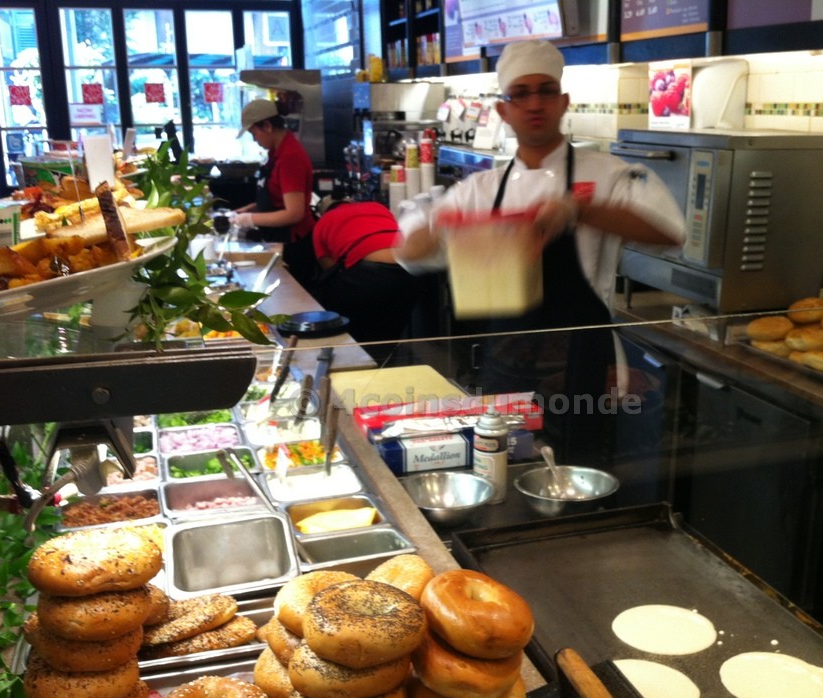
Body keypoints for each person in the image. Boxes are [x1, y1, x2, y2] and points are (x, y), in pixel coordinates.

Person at [397, 39, 685, 463]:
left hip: (584, 363)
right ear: (503, 110)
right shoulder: (481, 189)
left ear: (563, 100)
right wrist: (441, 226)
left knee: (581, 469)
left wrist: (579, 209)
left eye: (546, 91)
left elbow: (668, 230)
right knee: (502, 464)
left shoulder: (609, 174)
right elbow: (410, 252)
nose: (535, 103)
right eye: (521, 94)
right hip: (504, 362)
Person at [310, 195, 422, 358]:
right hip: (409, 270)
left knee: (358, 335)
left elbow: (330, 268)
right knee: (389, 333)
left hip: (366, 275)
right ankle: (388, 365)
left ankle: (358, 364)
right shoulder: (377, 206)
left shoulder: (322, 223)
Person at [232, 99, 317, 285]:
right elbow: (278, 199)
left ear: (267, 126)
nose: (255, 140)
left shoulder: (290, 157)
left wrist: (250, 220)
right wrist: (251, 209)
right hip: (279, 238)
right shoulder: (276, 153)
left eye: (254, 133)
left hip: (294, 245)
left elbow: (294, 213)